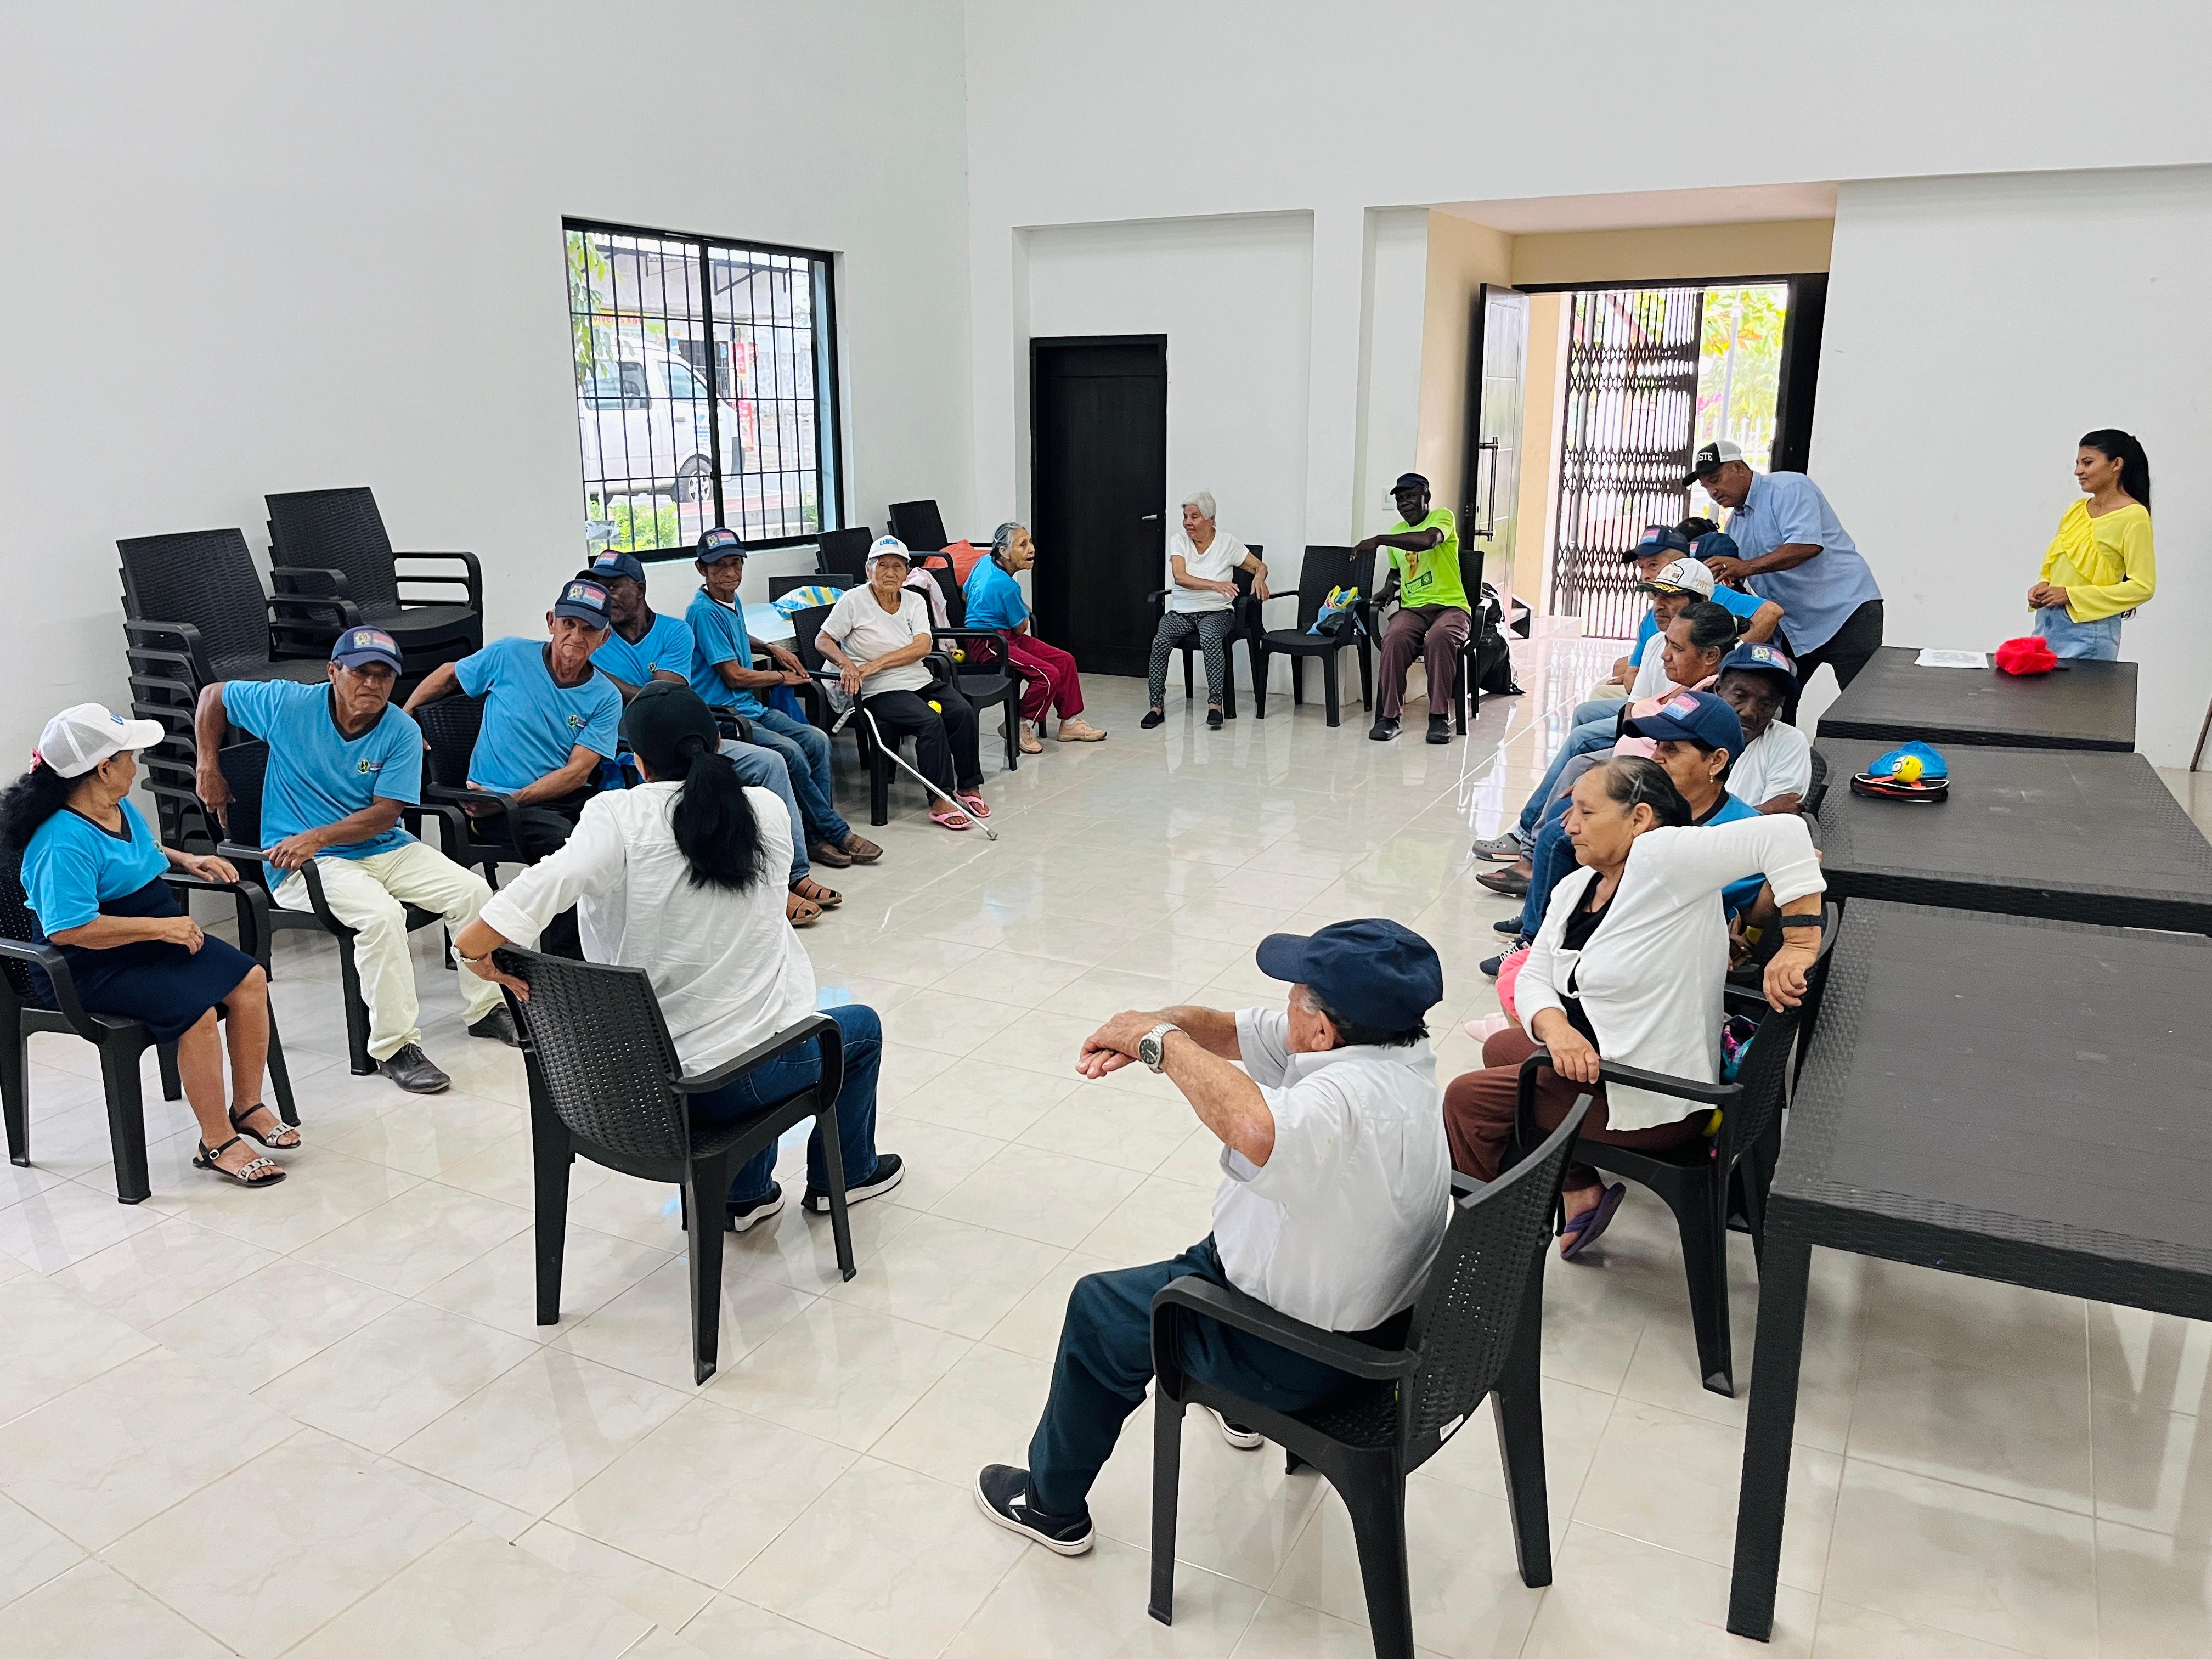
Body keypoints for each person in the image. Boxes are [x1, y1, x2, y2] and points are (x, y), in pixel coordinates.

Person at [974, 918, 1452, 1555]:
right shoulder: (1395, 1054)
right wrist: (1149, 1028)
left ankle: (1049, 1504)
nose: (1285, 1001)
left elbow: (1255, 1128)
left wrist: (1159, 1045)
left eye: (1296, 993)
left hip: (1306, 1356)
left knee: (1100, 1311)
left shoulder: (1339, 1103)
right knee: (1215, 1241)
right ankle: (1233, 1403)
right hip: (1363, 1316)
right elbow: (1228, 1031)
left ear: (1321, 1030)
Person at [453, 685, 901, 1229]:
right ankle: (845, 1178)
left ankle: (745, 1196)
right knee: (854, 1028)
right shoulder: (765, 809)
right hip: (739, 1080)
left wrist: (474, 951)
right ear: (718, 744)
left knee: (751, 1019)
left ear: (639, 762)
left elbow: (541, 887)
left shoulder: (614, 817)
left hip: (638, 1083)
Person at [1443, 757, 1825, 1259]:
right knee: (1502, 1047)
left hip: (1658, 1095)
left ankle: (1487, 1255)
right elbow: (1535, 973)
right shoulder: (1578, 886)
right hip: (1611, 1066)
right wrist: (1557, 1028)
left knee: (1468, 1100)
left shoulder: (1663, 858)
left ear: (1639, 818)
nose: (1569, 825)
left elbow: (1786, 835)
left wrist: (1799, 943)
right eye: (1571, 811)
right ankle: (1579, 1187)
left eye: (1586, 812)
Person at [193, 627, 512, 1096]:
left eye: (384, 676)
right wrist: (208, 764)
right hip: (303, 864)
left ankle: (487, 1009)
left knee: (474, 892)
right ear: (333, 671)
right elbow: (213, 696)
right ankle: (394, 1047)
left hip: (380, 845)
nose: (373, 684)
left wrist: (319, 835)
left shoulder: (401, 730)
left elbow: (386, 813)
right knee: (381, 916)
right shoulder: (289, 704)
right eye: (361, 672)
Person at [2, 704, 291, 1187]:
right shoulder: (60, 841)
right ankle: (216, 1142)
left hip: (152, 938)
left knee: (250, 980)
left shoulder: (114, 805)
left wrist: (187, 859)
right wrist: (160, 930)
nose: (135, 766)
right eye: (129, 757)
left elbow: (142, 851)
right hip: (89, 965)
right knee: (196, 1012)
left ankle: (246, 1106)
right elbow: (68, 930)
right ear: (103, 768)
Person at [587, 548, 842, 926]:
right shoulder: (597, 640)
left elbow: (663, 696)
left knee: (773, 762)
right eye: (599, 589)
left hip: (693, 738)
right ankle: (792, 872)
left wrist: (603, 678)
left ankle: (793, 874)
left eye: (614, 587)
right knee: (785, 750)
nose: (605, 598)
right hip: (639, 753)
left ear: (639, 588)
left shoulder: (675, 631)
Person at [1477, 599, 1741, 901]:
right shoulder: (1685, 683)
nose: (1665, 655)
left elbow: (1671, 763)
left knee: (1566, 803)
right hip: (1631, 764)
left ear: (1711, 656)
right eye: (1668, 644)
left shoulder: (1707, 699)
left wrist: (1608, 782)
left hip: (1637, 779)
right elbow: (1636, 703)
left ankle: (1532, 862)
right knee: (1577, 772)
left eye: (1677, 649)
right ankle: (1537, 883)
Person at [1489, 690, 1768, 971]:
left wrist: (1747, 939)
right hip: (1618, 927)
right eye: (1658, 745)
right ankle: (1537, 938)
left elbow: (1755, 912)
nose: (1657, 757)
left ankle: (1541, 944)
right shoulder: (1654, 799)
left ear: (1716, 761)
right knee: (1560, 828)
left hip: (1659, 950)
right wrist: (1589, 805)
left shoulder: (1743, 831)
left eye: (1671, 749)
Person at [685, 526, 883, 871]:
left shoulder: (729, 600)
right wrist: (781, 677)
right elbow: (734, 675)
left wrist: (770, 647)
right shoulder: (702, 611)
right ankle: (833, 832)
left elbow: (736, 635)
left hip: (749, 707)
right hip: (725, 716)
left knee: (817, 740)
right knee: (790, 753)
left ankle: (815, 836)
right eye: (719, 566)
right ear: (702, 569)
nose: (730, 572)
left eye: (736, 563)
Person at [403, 577, 623, 861]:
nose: (576, 636)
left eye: (589, 629)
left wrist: (514, 800)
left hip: (555, 798)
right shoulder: (509, 654)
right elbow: (449, 675)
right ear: (551, 622)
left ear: (604, 638)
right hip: (493, 800)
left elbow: (577, 773)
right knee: (567, 844)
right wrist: (406, 715)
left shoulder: (606, 696)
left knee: (619, 831)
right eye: (569, 623)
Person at [1690, 440, 1883, 711]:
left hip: (1846, 613)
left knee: (1861, 709)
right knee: (1772, 707)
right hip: (1795, 627)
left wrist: (1745, 567)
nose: (1713, 491)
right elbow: (1745, 581)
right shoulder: (1734, 526)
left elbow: (1807, 546)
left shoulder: (1788, 488)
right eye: (1706, 486)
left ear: (1739, 468)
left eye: (1715, 479)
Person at [817, 537, 988, 832]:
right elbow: (823, 640)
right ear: (869, 570)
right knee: (930, 722)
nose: (890, 572)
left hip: (916, 678)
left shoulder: (914, 600)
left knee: (962, 711)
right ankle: (940, 797)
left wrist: (876, 663)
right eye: (882, 565)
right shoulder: (854, 601)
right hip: (877, 689)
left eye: (897, 566)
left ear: (907, 572)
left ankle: (969, 785)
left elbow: (923, 646)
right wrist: (847, 664)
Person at [966, 522, 1106, 751]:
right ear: (1004, 552)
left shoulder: (983, 562)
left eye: (1030, 542)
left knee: (1065, 661)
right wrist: (1019, 609)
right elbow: (1021, 628)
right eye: (1023, 545)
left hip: (1004, 635)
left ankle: (1070, 724)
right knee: (1048, 675)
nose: (1031, 549)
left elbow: (965, 595)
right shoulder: (1006, 585)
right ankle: (1018, 724)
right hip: (988, 642)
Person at [1144, 491, 1270, 731]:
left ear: (1211, 519)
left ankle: (1215, 705)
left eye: (1195, 517)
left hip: (1218, 612)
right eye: (1186, 517)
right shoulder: (1179, 541)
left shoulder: (1227, 543)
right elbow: (1180, 577)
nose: (1188, 523)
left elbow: (1260, 566)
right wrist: (1215, 585)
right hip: (1182, 612)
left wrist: (1259, 578)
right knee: (1160, 641)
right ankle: (1156, 707)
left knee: (1211, 637)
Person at [1362, 472, 1470, 745]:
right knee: (1394, 637)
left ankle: (1439, 718)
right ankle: (1390, 718)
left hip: (1451, 608)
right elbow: (1396, 572)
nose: (1404, 503)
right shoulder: (1396, 533)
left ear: (1427, 497)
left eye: (1410, 496)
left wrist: (1380, 539)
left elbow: (1429, 540)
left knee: (1440, 637)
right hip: (1413, 610)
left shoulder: (1442, 518)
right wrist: (1389, 588)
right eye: (1400, 499)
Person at [2029, 430, 2155, 661]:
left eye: (2088, 463)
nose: (2078, 471)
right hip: (2047, 626)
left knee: (2081, 688)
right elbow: (2055, 564)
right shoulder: (2076, 510)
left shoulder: (2133, 516)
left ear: (2116, 464)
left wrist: (2070, 595)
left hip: (2089, 633)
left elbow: (2143, 587)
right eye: (2078, 463)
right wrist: (2043, 585)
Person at [1713, 644, 1813, 814]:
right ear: (1718, 689)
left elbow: (1773, 822)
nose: (1749, 712)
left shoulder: (1788, 742)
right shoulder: (1688, 729)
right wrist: (1760, 811)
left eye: (1766, 704)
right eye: (1739, 696)